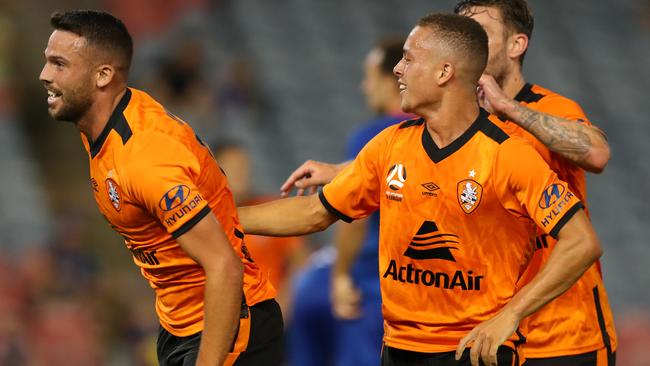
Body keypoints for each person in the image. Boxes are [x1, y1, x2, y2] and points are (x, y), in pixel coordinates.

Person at [240, 13, 602, 366]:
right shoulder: (389, 145)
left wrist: (511, 315)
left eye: (409, 59)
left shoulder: (507, 156)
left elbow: (581, 241)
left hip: (472, 350)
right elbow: (315, 212)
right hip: (398, 348)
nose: (397, 69)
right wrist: (222, 217)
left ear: (445, 72)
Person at [39, 10, 282, 366]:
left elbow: (224, 268)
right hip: (179, 324)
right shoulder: (101, 122)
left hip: (229, 326)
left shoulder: (146, 158)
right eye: (48, 62)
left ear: (103, 75)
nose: (44, 75)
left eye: (59, 64)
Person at [284, 37, 409, 366]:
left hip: (372, 283)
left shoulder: (374, 136)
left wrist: (341, 275)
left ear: (391, 79)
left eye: (370, 76)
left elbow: (357, 210)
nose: (364, 86)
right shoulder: (439, 132)